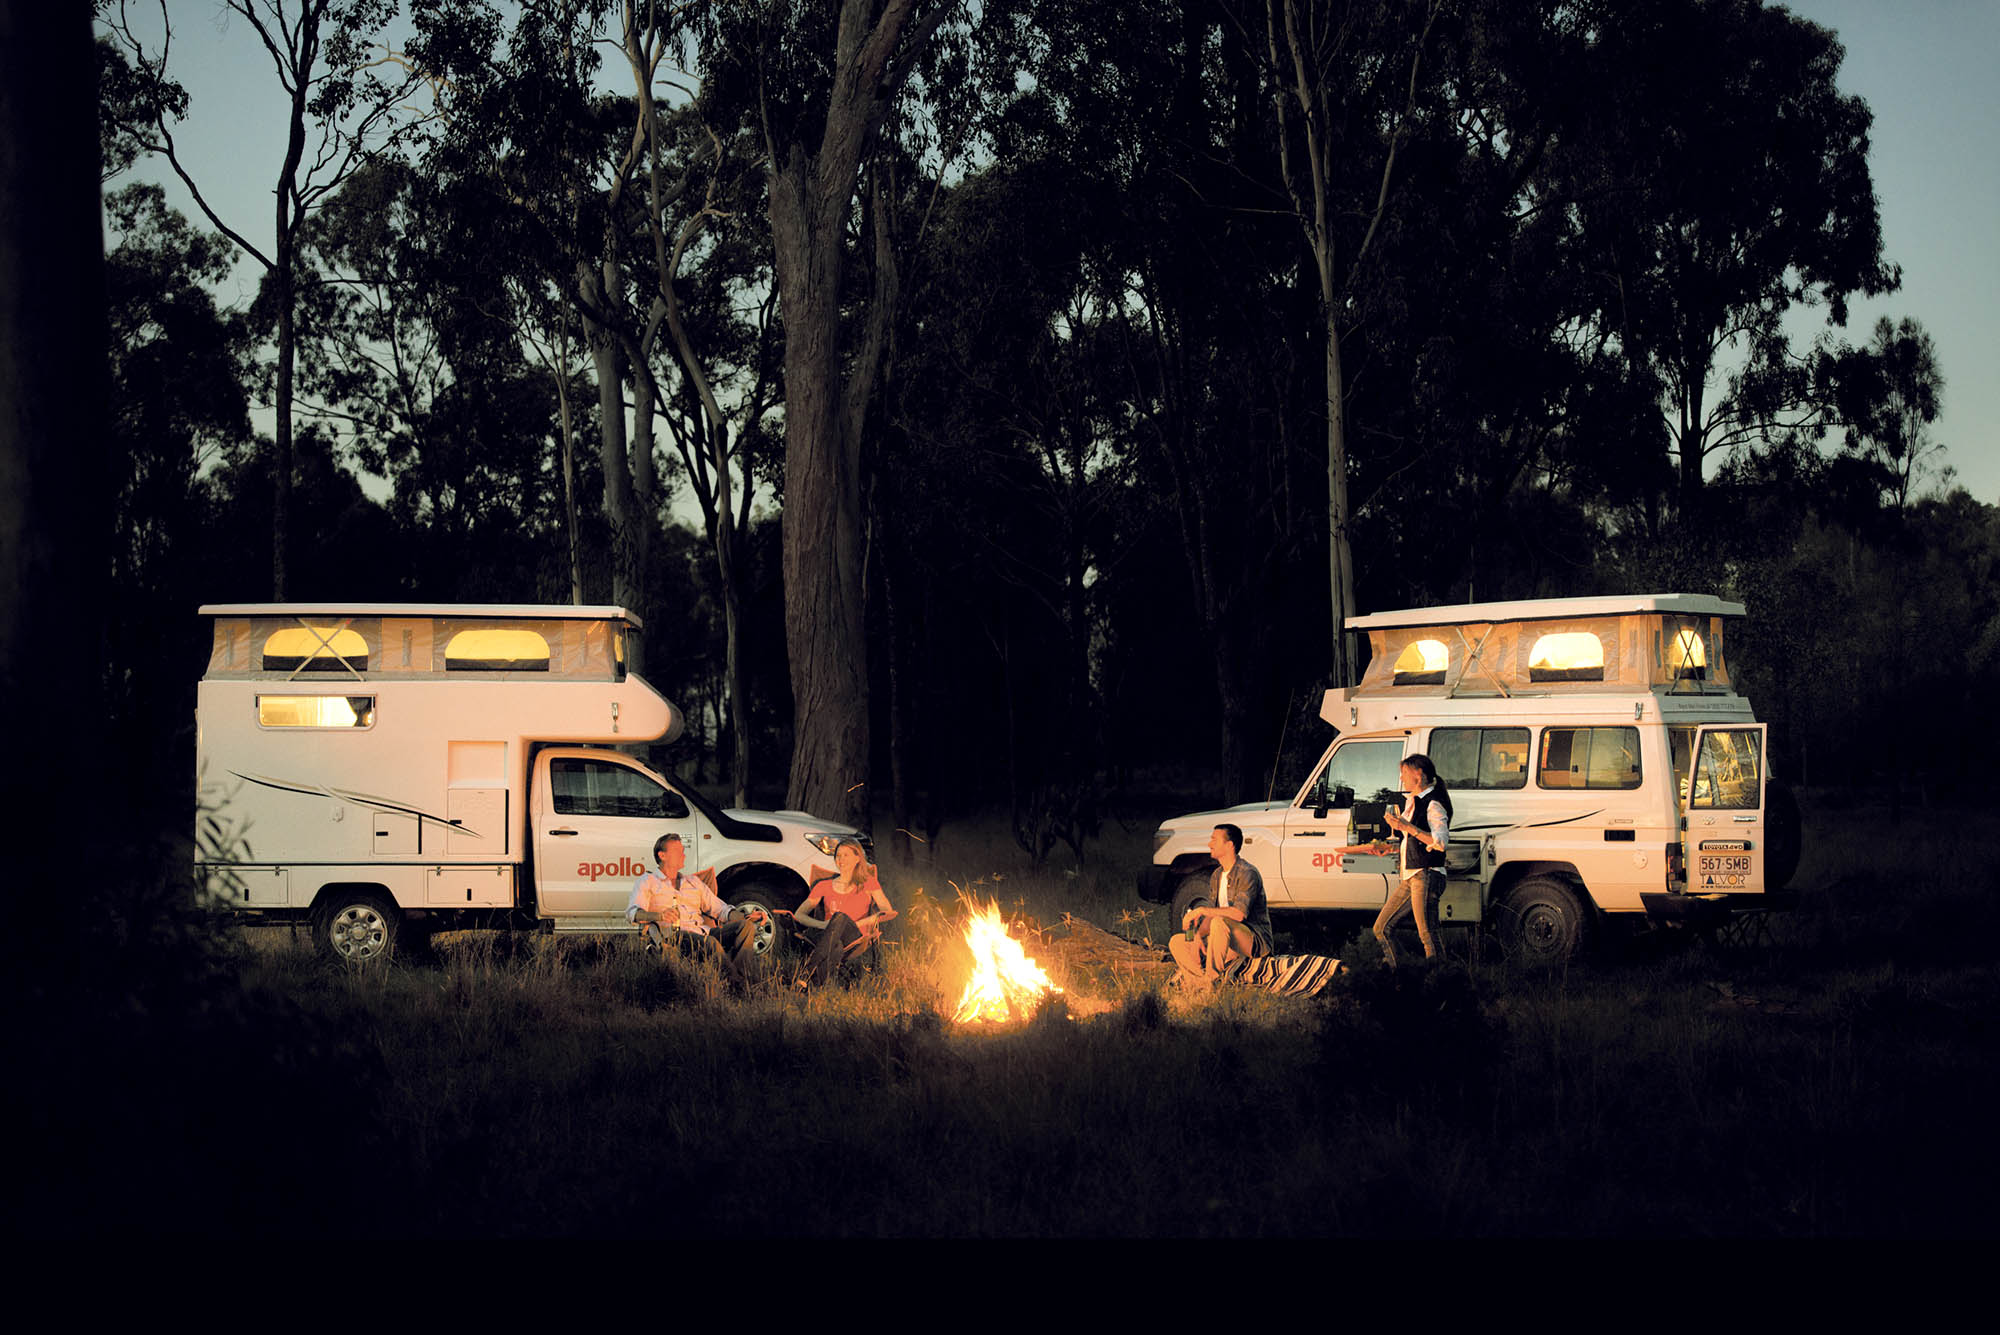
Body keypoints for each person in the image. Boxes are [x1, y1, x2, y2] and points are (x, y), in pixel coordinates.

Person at [628, 832, 765, 979]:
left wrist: (746, 917)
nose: (683, 855)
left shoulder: (693, 882)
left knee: (745, 927)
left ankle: (739, 978)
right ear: (662, 855)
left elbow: (721, 910)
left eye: (683, 851)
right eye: (678, 851)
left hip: (704, 933)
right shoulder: (648, 880)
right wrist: (659, 916)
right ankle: (739, 985)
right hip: (675, 936)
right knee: (711, 943)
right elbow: (633, 913)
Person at [1371, 754, 1452, 968]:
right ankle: (1404, 977)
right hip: (1413, 875)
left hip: (1426, 874)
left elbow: (1440, 841)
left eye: (1404, 773)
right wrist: (1390, 847)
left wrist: (1408, 827)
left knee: (1428, 935)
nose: (1401, 778)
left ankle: (1439, 983)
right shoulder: (1413, 801)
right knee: (1382, 928)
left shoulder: (1433, 803)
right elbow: (1411, 840)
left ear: (1419, 775)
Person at [1168, 823, 1274, 984]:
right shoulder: (1217, 875)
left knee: (1219, 922)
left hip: (1253, 941)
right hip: (1224, 938)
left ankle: (1212, 978)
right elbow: (1213, 914)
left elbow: (1238, 914)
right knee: (1176, 941)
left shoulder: (1247, 873)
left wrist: (1202, 910)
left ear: (1229, 845)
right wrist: (1196, 937)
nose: (1209, 844)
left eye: (1214, 840)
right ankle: (1199, 984)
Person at [792, 838, 897, 987]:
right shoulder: (824, 885)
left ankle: (807, 971)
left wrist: (864, 922)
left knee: (840, 917)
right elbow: (799, 914)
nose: (841, 859)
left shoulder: (868, 882)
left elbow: (888, 911)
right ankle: (814, 988)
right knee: (837, 946)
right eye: (838, 855)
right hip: (826, 934)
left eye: (846, 855)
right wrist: (822, 924)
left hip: (854, 935)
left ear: (857, 858)